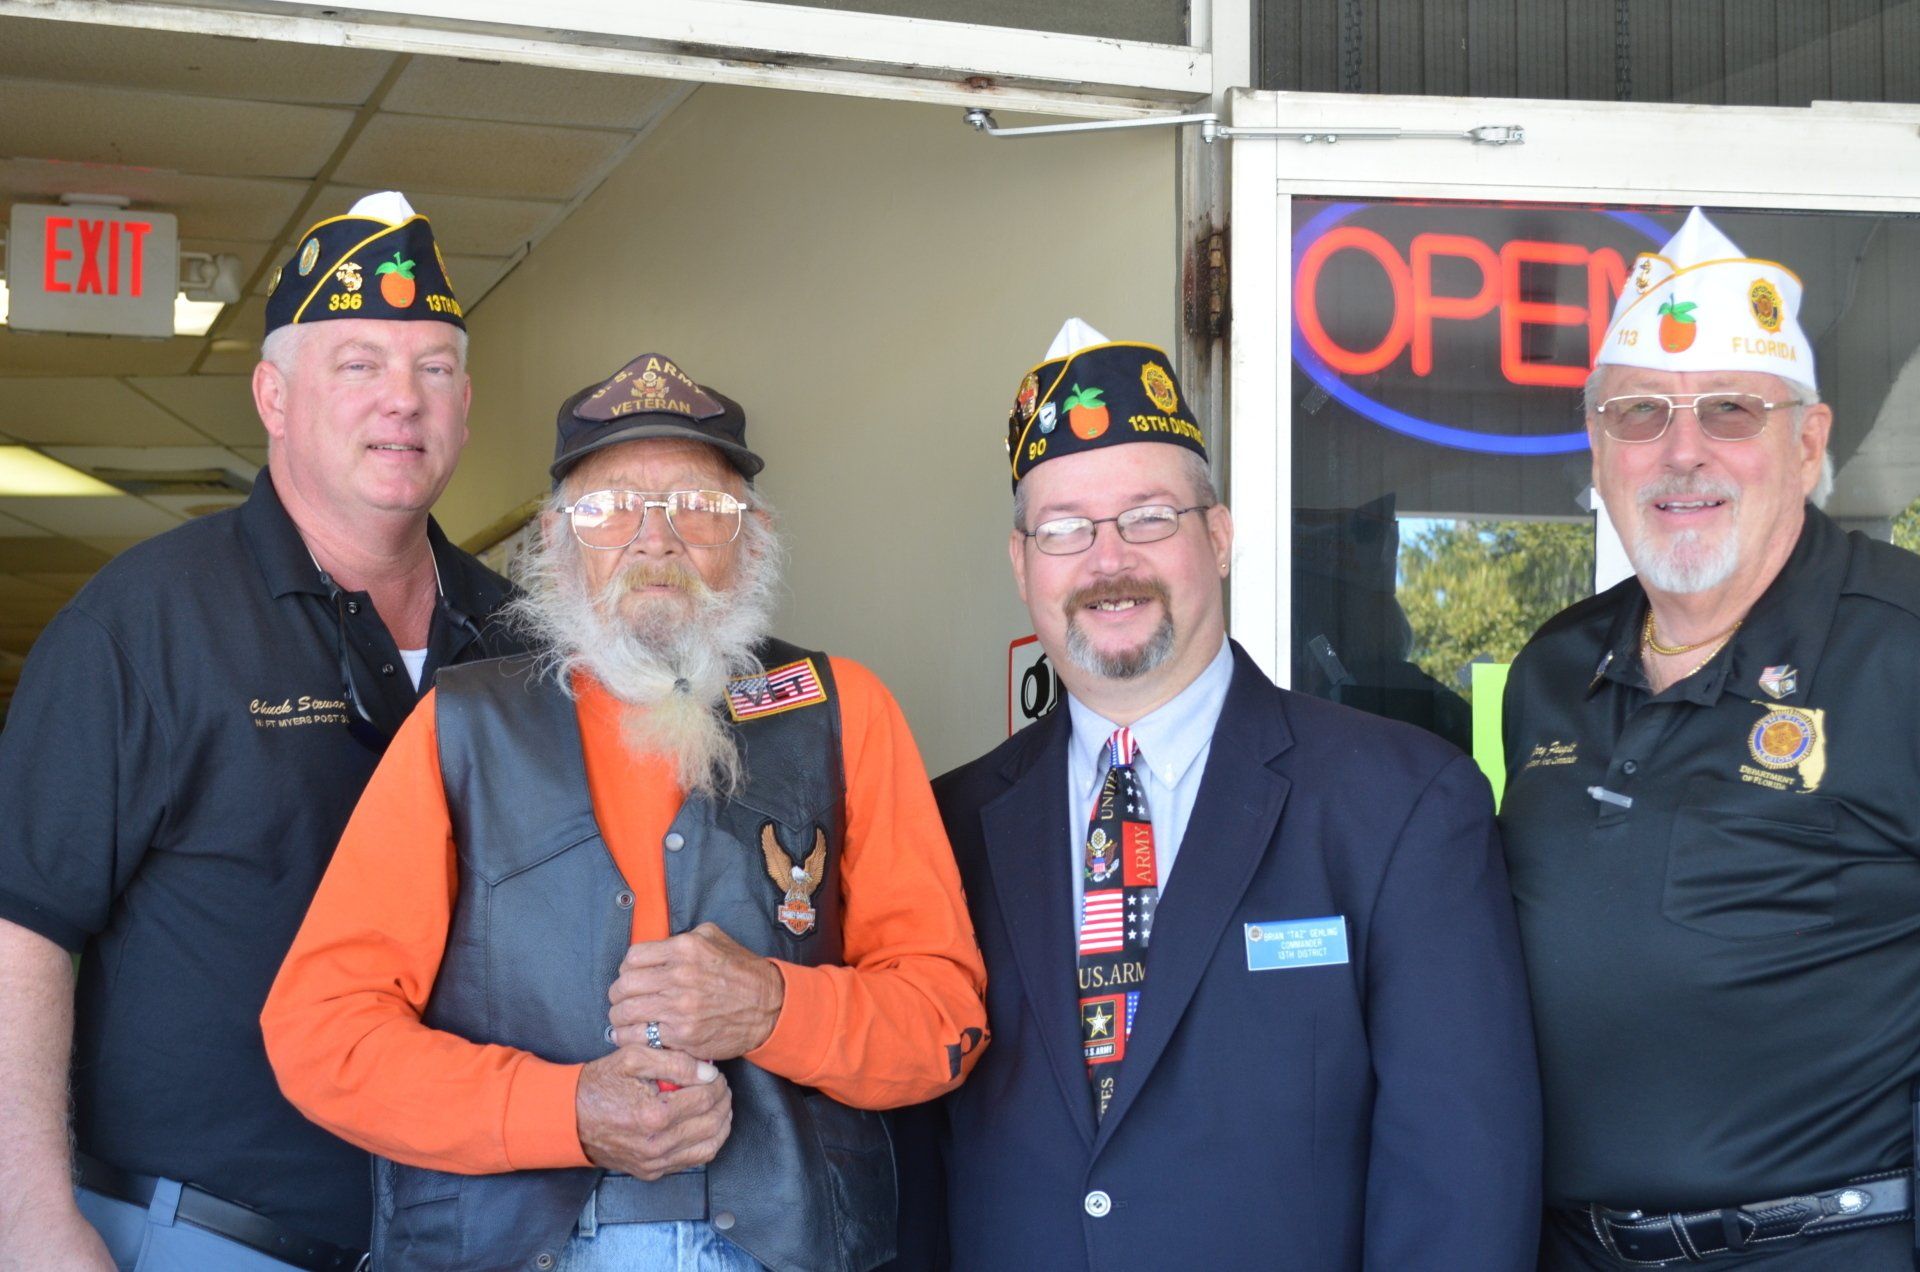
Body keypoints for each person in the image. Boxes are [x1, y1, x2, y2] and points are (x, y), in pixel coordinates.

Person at [260, 352, 989, 1272]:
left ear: (753, 538)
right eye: (609, 508)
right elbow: (321, 1033)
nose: (655, 540)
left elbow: (944, 1022)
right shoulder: (461, 727)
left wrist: (773, 1007)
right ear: (556, 542)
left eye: (698, 506)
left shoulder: (842, 710)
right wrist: (563, 1111)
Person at [905, 320, 1540, 1269]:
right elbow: (915, 1166)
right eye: (1065, 528)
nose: (1108, 560)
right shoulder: (944, 827)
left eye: (1148, 517)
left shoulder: (1402, 803)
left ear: (1220, 536)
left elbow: (1463, 1179)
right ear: (1022, 564)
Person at [0, 192, 518, 1269]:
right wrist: (28, 1217)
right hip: (202, 1235)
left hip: (471, 1231)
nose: (403, 398)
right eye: (359, 363)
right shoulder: (144, 622)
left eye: (432, 368)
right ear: (273, 397)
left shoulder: (522, 641)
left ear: (466, 405)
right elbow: (22, 927)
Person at [1503, 208, 1920, 1269]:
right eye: (1639, 413)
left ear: (1807, 442)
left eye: (1731, 410)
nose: (1681, 452)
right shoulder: (1554, 666)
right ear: (1598, 448)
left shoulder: (1904, 648)